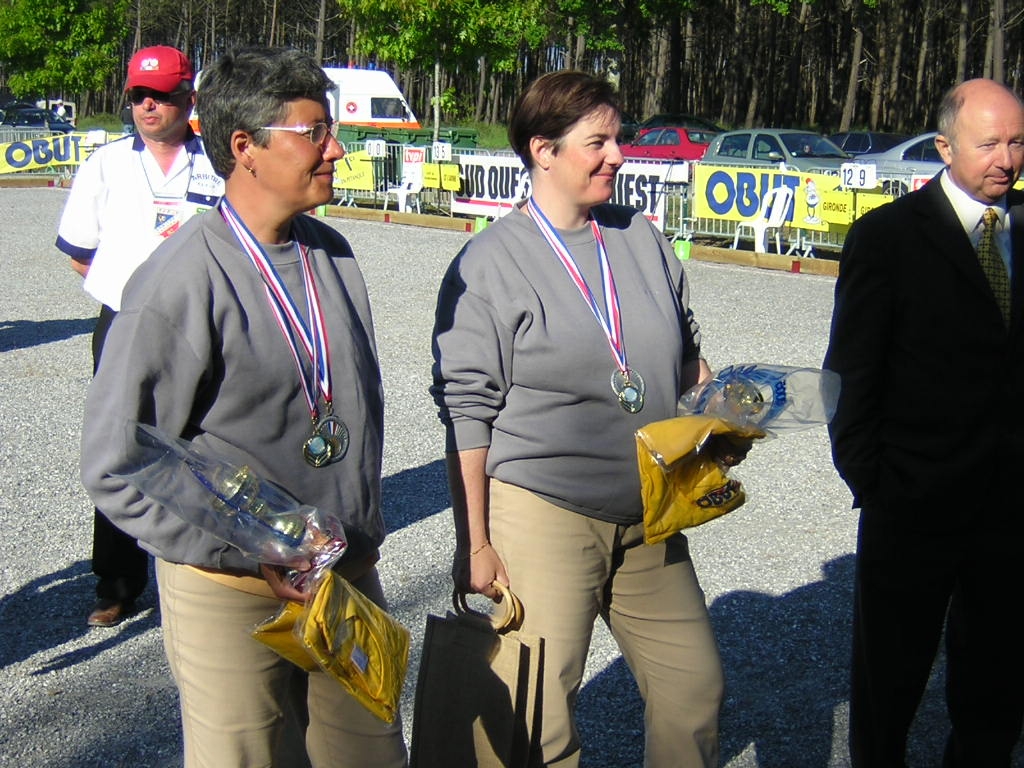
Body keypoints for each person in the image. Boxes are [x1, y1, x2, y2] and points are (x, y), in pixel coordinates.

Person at [79, 46, 407, 768]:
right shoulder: (178, 281)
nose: (336, 149)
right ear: (244, 148)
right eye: (313, 131)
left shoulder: (333, 254)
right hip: (231, 594)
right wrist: (242, 548)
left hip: (341, 580)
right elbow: (114, 461)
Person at [431, 71, 736, 768]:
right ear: (543, 150)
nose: (618, 155)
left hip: (651, 506)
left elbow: (688, 359)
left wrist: (725, 411)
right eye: (597, 141)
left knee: (694, 688)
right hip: (544, 509)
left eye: (618, 138)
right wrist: (474, 542)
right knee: (536, 714)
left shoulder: (640, 239)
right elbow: (466, 413)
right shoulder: (490, 262)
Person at [824, 78, 1024, 767]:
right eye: (989, 142)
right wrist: (875, 482)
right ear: (944, 146)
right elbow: (849, 376)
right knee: (889, 681)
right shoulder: (888, 238)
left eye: (1018, 141)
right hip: (914, 501)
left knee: (997, 684)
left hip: (1010, 508)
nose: (1007, 158)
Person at [56, 45, 223, 627]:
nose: (150, 106)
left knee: (207, 442)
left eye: (163, 95)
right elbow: (81, 254)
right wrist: (135, 297)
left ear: (189, 99)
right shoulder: (104, 164)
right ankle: (118, 580)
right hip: (126, 324)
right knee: (122, 443)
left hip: (208, 322)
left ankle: (211, 563)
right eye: (139, 96)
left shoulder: (218, 161)